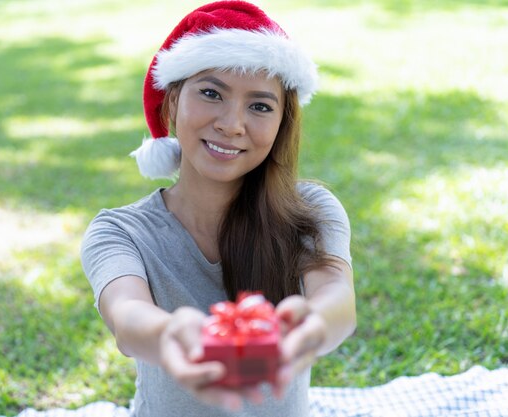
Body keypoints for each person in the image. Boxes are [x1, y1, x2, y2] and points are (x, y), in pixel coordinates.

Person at [81, 1, 356, 416]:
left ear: (283, 122)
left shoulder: (311, 209)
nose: (232, 124)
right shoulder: (120, 231)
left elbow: (337, 299)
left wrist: (314, 325)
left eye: (260, 106)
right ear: (171, 104)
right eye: (211, 93)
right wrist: (172, 332)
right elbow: (127, 316)